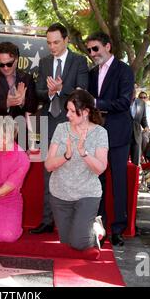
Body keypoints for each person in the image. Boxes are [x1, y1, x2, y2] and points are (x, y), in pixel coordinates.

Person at [31, 22, 89, 234]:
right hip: (48, 122)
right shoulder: (45, 62)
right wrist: (49, 93)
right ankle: (48, 221)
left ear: (66, 40)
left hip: (71, 124)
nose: (52, 47)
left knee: (73, 173)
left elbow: (82, 93)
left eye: (56, 42)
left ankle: (73, 223)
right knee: (49, 173)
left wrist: (62, 89)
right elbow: (37, 92)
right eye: (48, 43)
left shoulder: (79, 61)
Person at [87, 31, 134, 246]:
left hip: (118, 134)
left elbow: (124, 102)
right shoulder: (91, 73)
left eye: (95, 48)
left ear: (108, 46)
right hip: (96, 134)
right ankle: (100, 227)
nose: (92, 53)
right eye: (89, 50)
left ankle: (118, 229)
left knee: (118, 182)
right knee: (98, 182)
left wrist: (97, 103)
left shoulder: (124, 71)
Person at [45, 89, 108, 251]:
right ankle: (83, 229)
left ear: (86, 112)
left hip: (87, 193)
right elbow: (48, 165)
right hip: (60, 193)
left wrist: (83, 153)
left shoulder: (100, 133)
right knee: (66, 242)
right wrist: (66, 156)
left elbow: (100, 168)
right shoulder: (61, 128)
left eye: (73, 111)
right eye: (68, 110)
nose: (68, 114)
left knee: (79, 243)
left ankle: (95, 229)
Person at [0, 41, 38, 121]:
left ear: (17, 59)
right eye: (1, 64)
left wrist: (22, 102)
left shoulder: (27, 78)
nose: (5, 68)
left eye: (9, 64)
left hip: (19, 129)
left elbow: (33, 107)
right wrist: (7, 103)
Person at [129, 89, 149, 166]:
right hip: (123, 135)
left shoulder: (141, 103)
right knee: (122, 162)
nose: (133, 90)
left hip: (137, 136)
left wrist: (146, 126)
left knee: (135, 163)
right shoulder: (123, 100)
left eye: (135, 88)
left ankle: (134, 178)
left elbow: (143, 118)